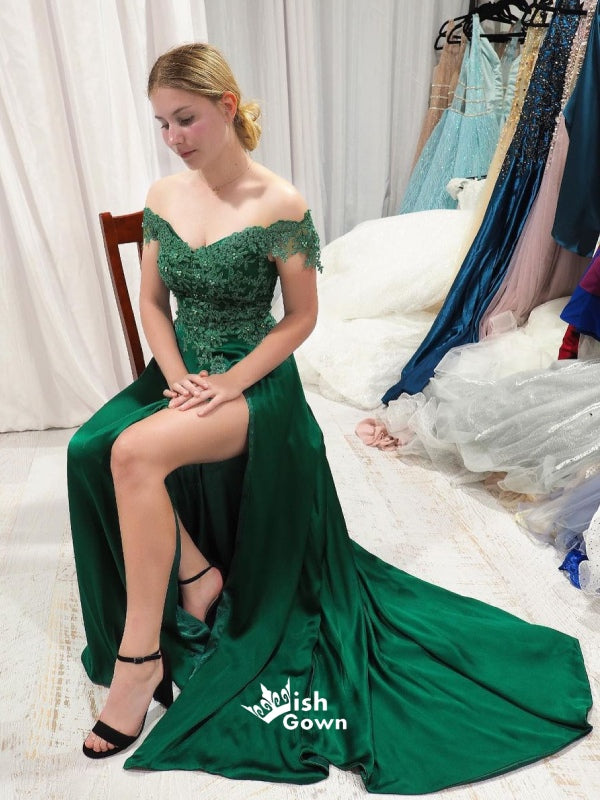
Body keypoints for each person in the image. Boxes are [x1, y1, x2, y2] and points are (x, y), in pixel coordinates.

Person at [67, 43, 592, 793]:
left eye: (185, 119)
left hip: (254, 383)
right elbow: (153, 303)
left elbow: (300, 318)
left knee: (131, 454)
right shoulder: (163, 195)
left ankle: (140, 658)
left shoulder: (279, 202)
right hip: (182, 371)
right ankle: (196, 573)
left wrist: (229, 383)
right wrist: (178, 377)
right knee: (89, 447)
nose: (174, 137)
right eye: (162, 124)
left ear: (225, 107)